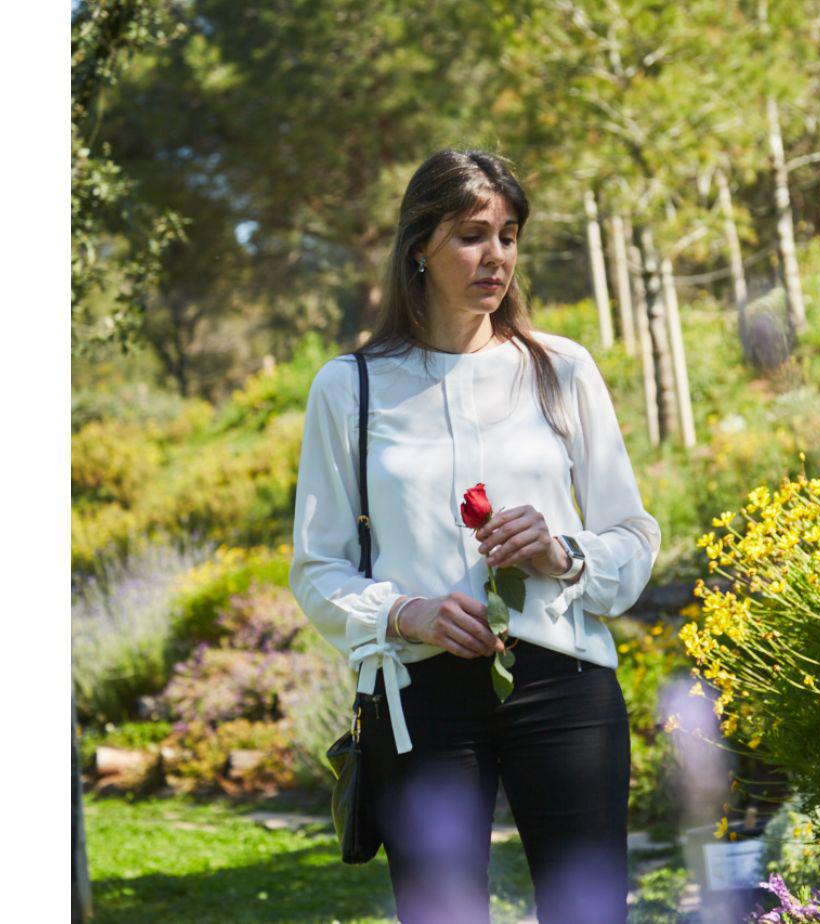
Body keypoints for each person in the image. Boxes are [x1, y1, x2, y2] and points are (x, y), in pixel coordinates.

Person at [289, 148, 661, 923]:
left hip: (564, 685)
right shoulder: (349, 389)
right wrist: (404, 613)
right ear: (418, 246)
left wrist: (564, 553)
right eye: (471, 235)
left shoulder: (563, 369)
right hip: (418, 697)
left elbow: (632, 535)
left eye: (509, 235)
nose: (496, 256)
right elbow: (317, 569)